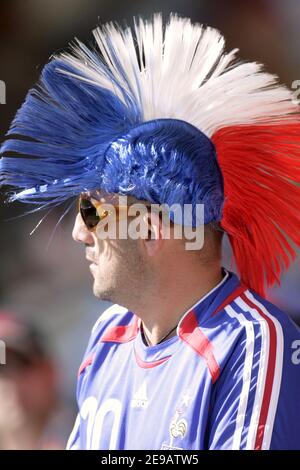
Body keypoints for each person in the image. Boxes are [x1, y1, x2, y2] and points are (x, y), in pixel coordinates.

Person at [1, 13, 300, 450]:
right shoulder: (108, 336)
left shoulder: (253, 341)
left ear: (149, 229)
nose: (80, 235)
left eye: (92, 212)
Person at [0, 311, 61, 449]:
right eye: (0, 369)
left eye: (22, 363)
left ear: (50, 371)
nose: (11, 380)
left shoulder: (94, 436)